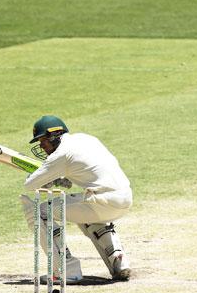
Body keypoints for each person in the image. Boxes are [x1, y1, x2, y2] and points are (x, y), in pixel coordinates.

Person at [19, 115, 133, 282]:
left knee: (40, 212)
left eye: (43, 141)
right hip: (124, 199)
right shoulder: (87, 139)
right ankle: (117, 258)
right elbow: (88, 168)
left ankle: (66, 269)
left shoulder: (60, 155)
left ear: (54, 135)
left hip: (101, 202)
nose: (42, 147)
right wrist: (62, 178)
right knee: (85, 209)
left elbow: (30, 185)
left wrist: (51, 179)